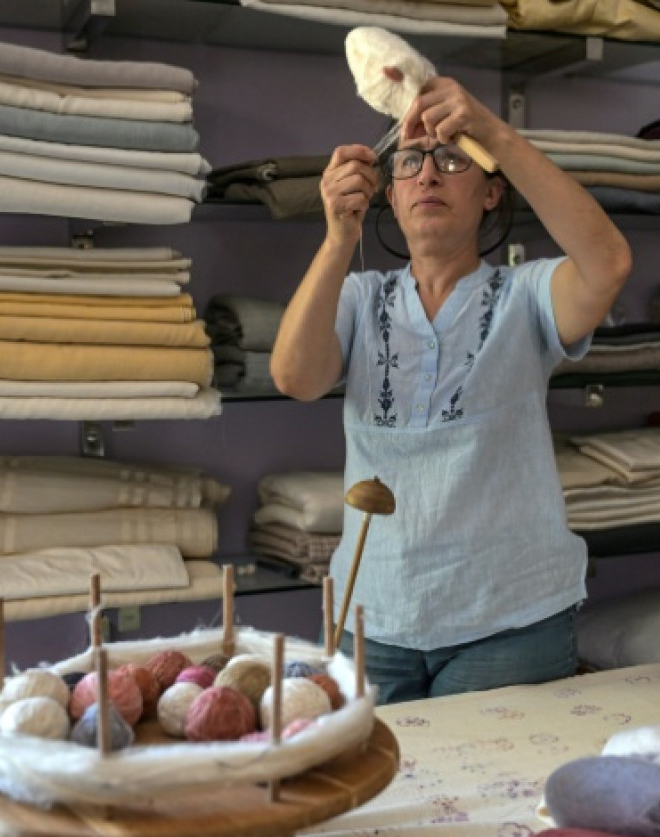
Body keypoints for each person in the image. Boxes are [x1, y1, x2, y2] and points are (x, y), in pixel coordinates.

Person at [270, 74, 631, 703]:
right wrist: (337, 239)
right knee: (379, 793)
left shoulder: (525, 295)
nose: (427, 175)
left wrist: (490, 129)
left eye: (452, 159)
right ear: (389, 194)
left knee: (495, 799)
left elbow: (609, 264)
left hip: (511, 622)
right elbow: (295, 377)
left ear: (493, 192)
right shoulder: (360, 295)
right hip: (371, 614)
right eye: (409, 162)